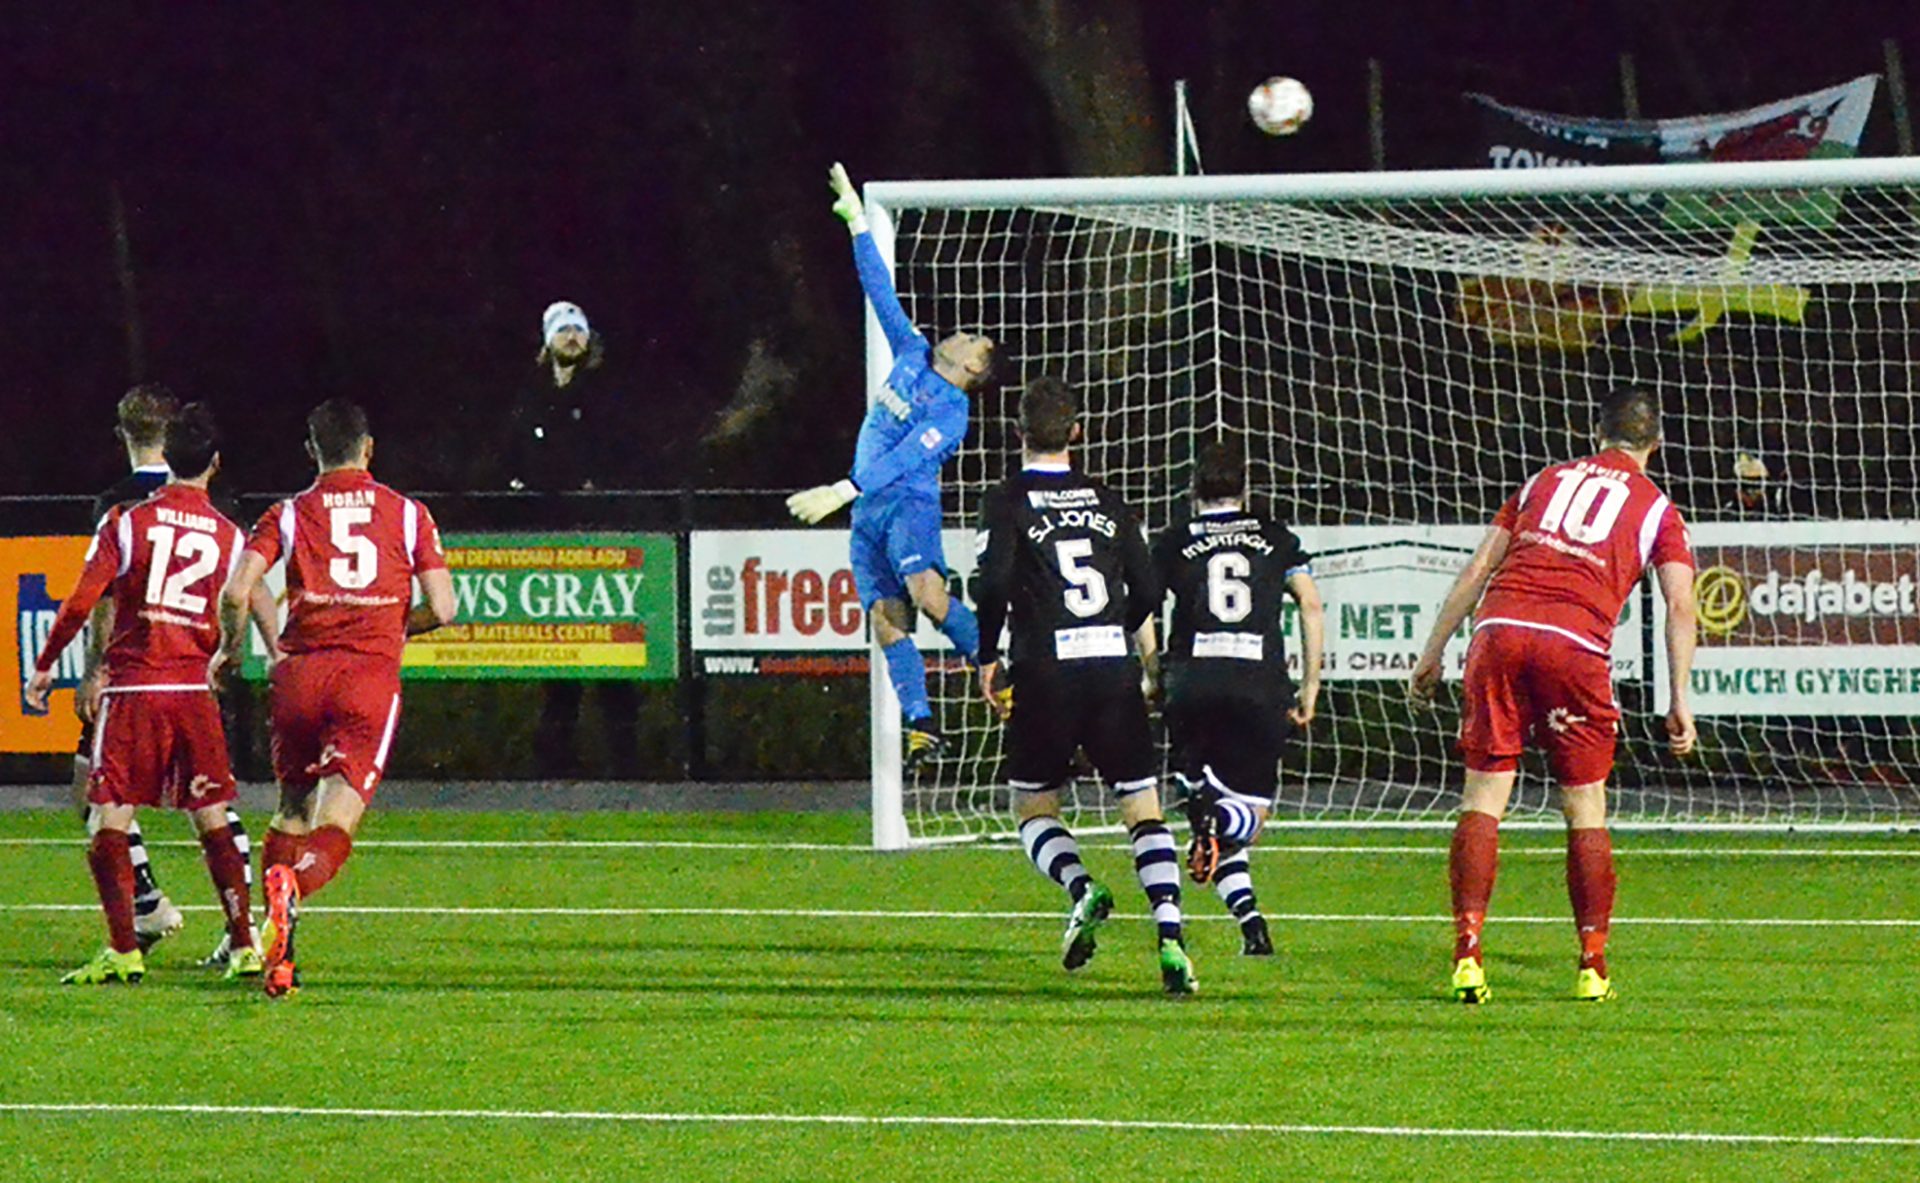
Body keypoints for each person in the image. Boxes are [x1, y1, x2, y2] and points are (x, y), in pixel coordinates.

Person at [1408, 386, 1698, 1004]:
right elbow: (1680, 604)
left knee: (1484, 796)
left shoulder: (1544, 480)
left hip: (1499, 631)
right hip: (1572, 643)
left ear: (1598, 431)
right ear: (1658, 443)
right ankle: (1592, 965)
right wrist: (1679, 696)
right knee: (1584, 806)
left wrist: (1433, 651)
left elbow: (1478, 568)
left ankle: (1467, 952)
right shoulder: (1657, 508)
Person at [27, 404, 272, 984]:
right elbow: (245, 595)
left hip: (136, 688)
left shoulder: (124, 521)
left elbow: (82, 603)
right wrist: (234, 650)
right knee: (212, 815)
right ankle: (243, 944)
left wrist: (44, 666)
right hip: (193, 689)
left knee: (107, 819)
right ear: (213, 464)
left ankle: (123, 949)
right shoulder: (230, 533)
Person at [220, 399, 457, 997]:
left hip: (300, 675)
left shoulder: (289, 513)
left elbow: (238, 589)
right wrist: (393, 626)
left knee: (291, 810)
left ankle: (279, 954)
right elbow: (447, 608)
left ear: (311, 451)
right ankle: (292, 888)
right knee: (336, 821)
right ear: (369, 448)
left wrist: (230, 650)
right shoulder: (408, 514)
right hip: (366, 677)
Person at [974, 376, 1195, 996]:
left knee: (1033, 804)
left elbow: (991, 584)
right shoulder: (1108, 499)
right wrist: (1114, 634)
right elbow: (1150, 592)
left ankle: (1082, 887)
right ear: (1078, 432)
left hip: (1045, 672)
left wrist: (988, 654)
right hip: (1111, 670)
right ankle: (1172, 938)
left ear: (1017, 433)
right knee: (1141, 808)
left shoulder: (1009, 498)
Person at [787, 163, 994, 771]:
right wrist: (855, 223)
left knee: (929, 598)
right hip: (866, 510)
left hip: (906, 505)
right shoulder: (909, 351)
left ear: (975, 369)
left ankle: (995, 659)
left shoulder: (953, 411)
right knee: (884, 618)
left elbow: (907, 457)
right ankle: (924, 726)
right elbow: (879, 288)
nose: (962, 334)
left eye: (974, 341)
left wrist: (844, 486)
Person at [1151, 439, 1324, 959]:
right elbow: (1311, 607)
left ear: (1192, 489)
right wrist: (1311, 683)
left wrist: (1152, 672)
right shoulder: (1276, 537)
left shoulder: (1174, 540)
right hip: (1257, 685)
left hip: (1192, 682)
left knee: (1206, 801)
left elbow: (1141, 608)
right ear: (1245, 490)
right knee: (1248, 816)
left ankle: (1250, 922)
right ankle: (1219, 822)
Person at [506, 300, 641, 778]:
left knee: (613, 656)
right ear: (547, 339)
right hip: (550, 541)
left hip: (599, 541)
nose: (572, 337)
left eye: (578, 330)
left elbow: (619, 456)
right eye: (562, 330)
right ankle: (555, 765)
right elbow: (517, 457)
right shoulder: (530, 395)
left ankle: (627, 765)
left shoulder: (607, 392)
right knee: (558, 655)